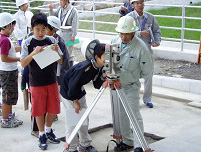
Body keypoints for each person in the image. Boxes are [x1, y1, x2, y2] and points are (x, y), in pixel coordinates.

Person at [20, 13, 63, 150]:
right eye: (37, 29)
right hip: (36, 82)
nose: (40, 32)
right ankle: (42, 134)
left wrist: (56, 52)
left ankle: (49, 130)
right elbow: (22, 63)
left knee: (53, 108)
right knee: (38, 110)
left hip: (52, 80)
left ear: (47, 28)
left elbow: (61, 60)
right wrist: (33, 53)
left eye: (43, 29)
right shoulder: (28, 42)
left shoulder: (52, 40)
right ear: (32, 28)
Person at [111, 16, 153, 152]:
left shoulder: (141, 47)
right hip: (116, 86)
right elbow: (110, 62)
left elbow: (147, 70)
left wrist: (133, 76)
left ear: (133, 33)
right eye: (121, 33)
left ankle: (139, 144)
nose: (123, 37)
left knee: (134, 115)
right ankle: (127, 141)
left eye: (126, 34)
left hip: (130, 86)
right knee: (121, 114)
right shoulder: (114, 41)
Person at [60, 40, 106, 152]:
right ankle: (71, 148)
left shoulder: (99, 67)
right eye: (106, 57)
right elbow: (71, 85)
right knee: (73, 121)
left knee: (84, 118)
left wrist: (104, 76)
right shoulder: (85, 68)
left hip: (78, 91)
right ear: (97, 57)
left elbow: (96, 85)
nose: (108, 60)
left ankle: (85, 144)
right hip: (69, 93)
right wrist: (75, 101)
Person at [127, 0, 161, 108]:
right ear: (132, 5)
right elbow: (124, 33)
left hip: (146, 50)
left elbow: (157, 31)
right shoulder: (128, 18)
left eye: (141, 2)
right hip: (133, 51)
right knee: (133, 76)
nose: (140, 5)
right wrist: (139, 33)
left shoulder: (150, 17)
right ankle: (134, 100)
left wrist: (157, 41)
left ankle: (147, 99)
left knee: (149, 75)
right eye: (137, 3)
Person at [0, 12, 23, 128]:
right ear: (8, 26)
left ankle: (9, 117)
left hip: (10, 71)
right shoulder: (4, 40)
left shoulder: (5, 39)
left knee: (10, 95)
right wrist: (19, 59)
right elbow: (4, 58)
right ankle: (5, 120)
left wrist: (24, 47)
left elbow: (12, 49)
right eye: (13, 26)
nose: (14, 28)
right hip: (7, 72)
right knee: (7, 96)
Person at [49, 0, 79, 68]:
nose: (60, 2)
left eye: (61, 0)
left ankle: (68, 68)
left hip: (69, 35)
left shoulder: (73, 10)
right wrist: (51, 10)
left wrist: (74, 35)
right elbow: (54, 17)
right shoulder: (60, 9)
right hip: (61, 33)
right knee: (61, 51)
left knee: (68, 53)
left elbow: (75, 24)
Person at [46, 16, 70, 85]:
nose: (43, 32)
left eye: (46, 29)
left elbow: (63, 63)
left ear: (53, 30)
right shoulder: (46, 40)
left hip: (57, 78)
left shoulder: (60, 43)